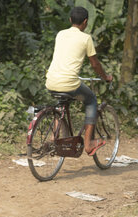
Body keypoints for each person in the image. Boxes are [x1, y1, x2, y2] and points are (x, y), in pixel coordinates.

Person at [46, 6, 113, 156]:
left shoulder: (60, 34)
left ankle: (54, 137)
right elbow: (95, 64)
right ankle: (88, 144)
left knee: (62, 104)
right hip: (69, 83)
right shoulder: (86, 38)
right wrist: (106, 77)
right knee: (91, 100)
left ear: (70, 20)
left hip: (50, 80)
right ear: (85, 22)